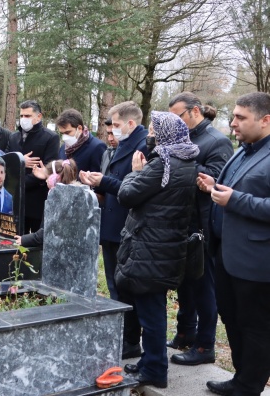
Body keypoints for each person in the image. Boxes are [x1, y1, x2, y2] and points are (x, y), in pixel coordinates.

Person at [117, 111, 199, 389]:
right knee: (153, 308)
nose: (150, 133)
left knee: (151, 312)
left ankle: (154, 369)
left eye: (154, 129)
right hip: (166, 245)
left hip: (151, 246)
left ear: (165, 133)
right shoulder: (186, 159)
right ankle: (149, 361)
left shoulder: (162, 164)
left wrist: (134, 173)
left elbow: (126, 195)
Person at [198, 92, 270, 396]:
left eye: (241, 117)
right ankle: (241, 377)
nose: (233, 123)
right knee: (232, 317)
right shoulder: (245, 150)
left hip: (256, 261)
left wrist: (235, 199)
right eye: (234, 116)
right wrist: (214, 187)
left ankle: (249, 385)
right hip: (226, 255)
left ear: (265, 120)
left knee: (254, 325)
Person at [166, 92, 233, 365]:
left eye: (178, 117)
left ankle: (205, 346)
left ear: (195, 112)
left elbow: (217, 180)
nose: (176, 123)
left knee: (204, 286)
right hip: (183, 222)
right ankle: (185, 333)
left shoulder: (217, 141)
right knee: (184, 284)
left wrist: (183, 164)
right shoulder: (187, 139)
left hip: (204, 226)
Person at [79, 101, 148, 359]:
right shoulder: (122, 145)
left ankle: (130, 340)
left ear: (131, 123)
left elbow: (136, 187)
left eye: (116, 125)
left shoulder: (141, 147)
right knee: (114, 285)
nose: (113, 131)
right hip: (112, 226)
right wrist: (96, 183)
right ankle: (122, 335)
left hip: (127, 226)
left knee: (126, 287)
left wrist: (104, 181)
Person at [7, 100, 59, 232]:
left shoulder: (50, 137)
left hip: (38, 199)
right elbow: (5, 162)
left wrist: (19, 183)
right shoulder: (13, 137)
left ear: (39, 116)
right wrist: (20, 161)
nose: (24, 119)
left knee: (36, 244)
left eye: (28, 116)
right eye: (22, 116)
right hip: (15, 202)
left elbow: (48, 169)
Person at [15, 158, 79, 247]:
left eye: (47, 178)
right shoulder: (72, 195)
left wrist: (24, 239)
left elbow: (48, 231)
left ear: (54, 179)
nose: (46, 181)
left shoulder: (57, 201)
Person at [57, 108, 106, 174]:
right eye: (62, 133)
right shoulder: (63, 148)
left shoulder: (97, 147)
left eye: (67, 132)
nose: (65, 137)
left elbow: (99, 178)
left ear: (79, 128)